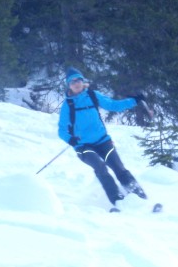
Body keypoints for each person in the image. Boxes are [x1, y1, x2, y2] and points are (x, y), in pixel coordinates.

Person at [58, 67, 147, 207]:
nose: (76, 83)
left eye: (78, 80)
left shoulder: (93, 95)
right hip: (84, 146)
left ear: (82, 81)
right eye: (72, 81)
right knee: (100, 167)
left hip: (103, 141)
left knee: (119, 168)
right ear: (69, 85)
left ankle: (140, 198)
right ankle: (118, 201)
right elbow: (62, 130)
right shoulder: (68, 105)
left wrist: (134, 101)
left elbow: (113, 105)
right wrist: (71, 139)